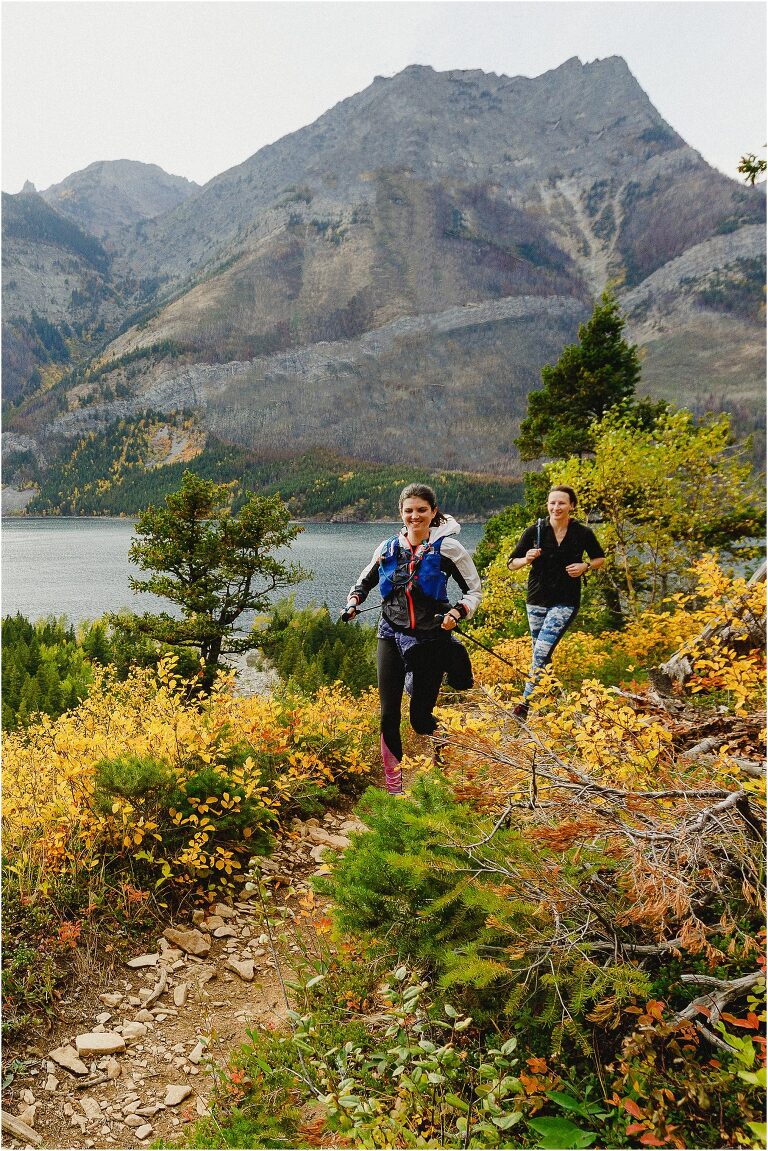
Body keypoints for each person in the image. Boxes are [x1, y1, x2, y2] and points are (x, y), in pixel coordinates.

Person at [342, 483, 482, 795]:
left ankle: (447, 755)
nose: (414, 516)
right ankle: (394, 790)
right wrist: (353, 604)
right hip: (390, 632)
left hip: (430, 639)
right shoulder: (388, 548)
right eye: (409, 510)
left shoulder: (449, 549)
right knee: (388, 712)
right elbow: (363, 582)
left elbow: (474, 592)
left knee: (420, 720)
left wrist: (458, 612)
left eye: (421, 510)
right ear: (401, 513)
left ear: (434, 512)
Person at [507, 485, 605, 717]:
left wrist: (585, 566)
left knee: (540, 651)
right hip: (536, 599)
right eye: (552, 503)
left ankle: (524, 704)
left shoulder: (582, 533)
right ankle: (555, 696)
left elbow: (599, 558)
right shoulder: (535, 531)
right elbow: (511, 563)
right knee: (542, 653)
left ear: (572, 506)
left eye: (561, 503)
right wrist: (525, 559)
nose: (556, 507)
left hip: (566, 600)